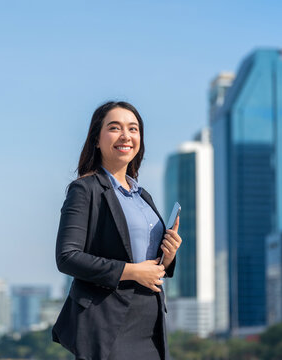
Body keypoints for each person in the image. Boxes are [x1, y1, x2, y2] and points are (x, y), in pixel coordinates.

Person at [52, 101, 182, 360]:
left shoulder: (143, 196)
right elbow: (67, 257)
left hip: (150, 321)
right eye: (115, 128)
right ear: (96, 140)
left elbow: (145, 261)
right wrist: (132, 271)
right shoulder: (85, 190)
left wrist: (167, 257)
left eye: (133, 129)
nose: (126, 135)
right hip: (108, 322)